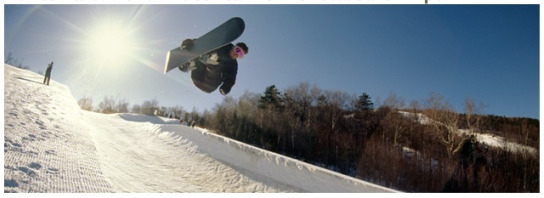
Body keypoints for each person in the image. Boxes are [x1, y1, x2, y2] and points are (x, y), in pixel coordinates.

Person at [179, 39, 248, 95]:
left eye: (240, 55)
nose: (237, 54)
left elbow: (231, 79)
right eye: (238, 50)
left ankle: (209, 59)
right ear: (234, 46)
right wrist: (192, 43)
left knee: (218, 63)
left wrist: (225, 88)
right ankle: (188, 64)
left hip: (210, 85)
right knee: (205, 55)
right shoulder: (223, 45)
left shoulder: (233, 65)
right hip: (197, 77)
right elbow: (207, 42)